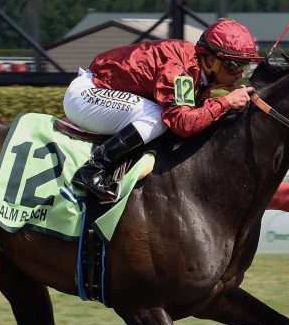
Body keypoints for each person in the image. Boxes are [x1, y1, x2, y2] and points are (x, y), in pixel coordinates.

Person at [64, 18, 262, 203]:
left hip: (103, 91)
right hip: (87, 95)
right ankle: (92, 169)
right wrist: (226, 102)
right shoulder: (179, 70)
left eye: (244, 65)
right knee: (159, 117)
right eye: (233, 65)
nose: (239, 73)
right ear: (210, 60)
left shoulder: (196, 67)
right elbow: (182, 123)